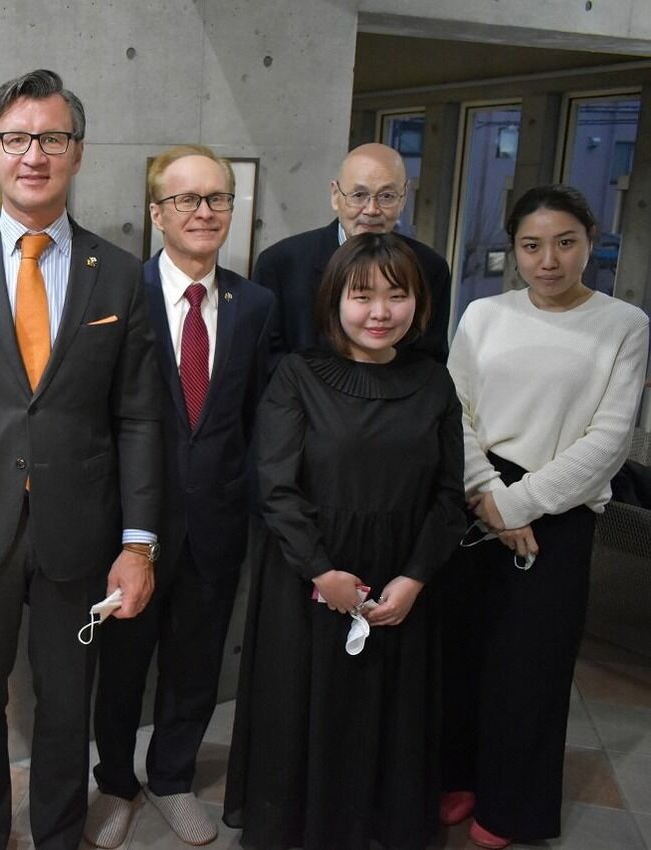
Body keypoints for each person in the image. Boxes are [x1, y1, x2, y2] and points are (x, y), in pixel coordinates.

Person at [0, 68, 163, 850]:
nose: (34, 155)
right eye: (16, 139)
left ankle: (57, 836)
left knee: (67, 708)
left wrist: (138, 544)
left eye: (52, 138)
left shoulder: (120, 273)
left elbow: (139, 417)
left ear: (78, 151)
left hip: (80, 534)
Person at [223, 232, 466, 850]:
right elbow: (276, 485)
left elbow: (449, 495)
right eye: (362, 296)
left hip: (403, 579)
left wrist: (414, 578)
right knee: (304, 706)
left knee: (391, 713)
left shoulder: (434, 382)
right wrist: (322, 573)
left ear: (418, 303)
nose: (380, 312)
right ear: (335, 300)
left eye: (396, 295)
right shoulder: (298, 374)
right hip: (308, 575)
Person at [438, 185, 649, 849]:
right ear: (514, 250)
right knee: (462, 652)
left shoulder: (624, 324)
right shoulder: (483, 314)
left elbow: (608, 440)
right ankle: (457, 775)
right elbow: (451, 411)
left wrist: (517, 504)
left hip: (558, 511)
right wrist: (486, 493)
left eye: (565, 243)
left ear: (591, 242)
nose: (548, 260)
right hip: (475, 499)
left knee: (531, 667)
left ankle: (511, 806)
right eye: (532, 246)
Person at [87, 145, 274, 848]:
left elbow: (258, 418)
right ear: (156, 213)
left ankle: (171, 777)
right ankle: (115, 783)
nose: (204, 211)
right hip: (130, 529)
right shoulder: (116, 295)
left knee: (196, 666)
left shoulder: (257, 305)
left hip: (217, 525)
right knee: (121, 670)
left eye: (217, 198)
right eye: (186, 199)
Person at [253, 143, 451, 361]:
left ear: (403, 198)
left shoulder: (429, 267)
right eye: (359, 195)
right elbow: (266, 361)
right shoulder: (281, 263)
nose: (372, 209)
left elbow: (430, 359)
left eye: (387, 196)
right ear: (335, 195)